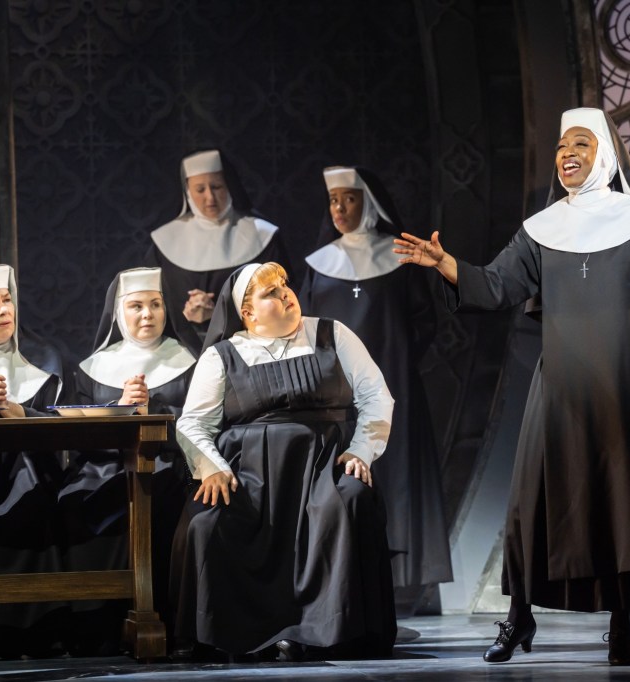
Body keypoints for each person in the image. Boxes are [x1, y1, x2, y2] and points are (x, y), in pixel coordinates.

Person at [394, 107, 630, 666]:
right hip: (562, 376)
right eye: (560, 147)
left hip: (622, 374)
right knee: (533, 498)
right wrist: (447, 263)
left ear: (604, 155)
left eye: (579, 144)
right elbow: (496, 286)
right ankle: (519, 615)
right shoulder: (541, 228)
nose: (566, 154)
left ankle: (620, 624)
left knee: (621, 498)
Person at [172, 262, 397, 661]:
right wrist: (213, 468)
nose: (285, 294)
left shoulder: (331, 334)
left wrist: (361, 450)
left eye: (284, 285)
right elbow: (193, 423)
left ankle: (338, 632)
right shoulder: (222, 356)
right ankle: (227, 635)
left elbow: (376, 396)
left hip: (322, 466)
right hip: (248, 475)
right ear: (248, 312)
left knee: (352, 501)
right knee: (206, 523)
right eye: (270, 293)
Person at [302, 166, 452, 600]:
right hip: (334, 396)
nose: (339, 208)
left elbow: (424, 321)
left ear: (368, 202)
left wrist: (395, 362)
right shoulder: (318, 264)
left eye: (348, 199)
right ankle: (344, 585)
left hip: (394, 386)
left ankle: (403, 587)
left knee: (398, 478)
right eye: (333, 200)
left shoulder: (400, 257)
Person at [59, 267, 196, 655]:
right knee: (76, 500)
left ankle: (171, 625)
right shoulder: (91, 367)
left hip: (174, 464)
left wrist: (155, 410)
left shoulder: (192, 360)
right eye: (136, 306)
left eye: (156, 304)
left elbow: (204, 422)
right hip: (104, 466)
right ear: (119, 312)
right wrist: (120, 409)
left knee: (167, 495)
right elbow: (78, 434)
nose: (147, 314)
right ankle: (97, 629)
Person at [0, 264, 69, 660]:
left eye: (7, 300)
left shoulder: (44, 360)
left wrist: (23, 414)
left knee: (40, 499)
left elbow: (67, 427)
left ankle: (38, 630)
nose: (4, 310)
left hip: (31, 474)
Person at [145, 149, 292, 356]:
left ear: (229, 186)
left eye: (216, 187)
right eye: (200, 189)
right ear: (187, 192)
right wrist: (183, 317)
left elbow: (283, 298)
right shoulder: (164, 240)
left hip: (251, 350)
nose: (210, 197)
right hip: (179, 351)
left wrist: (220, 315)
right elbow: (149, 301)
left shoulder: (263, 236)